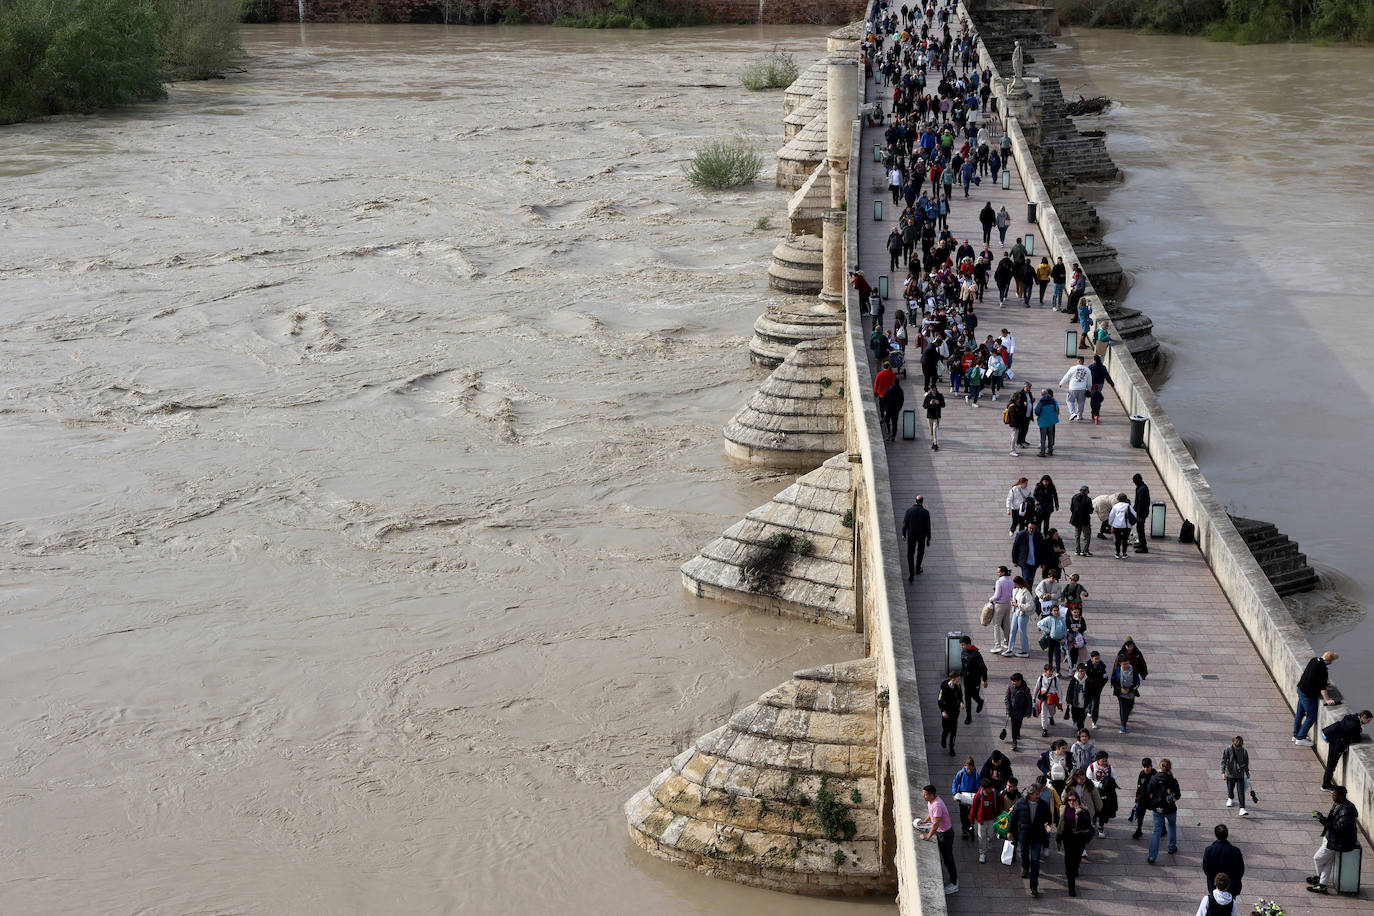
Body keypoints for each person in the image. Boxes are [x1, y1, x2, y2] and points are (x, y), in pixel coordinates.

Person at [1308, 785, 1359, 895]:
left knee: (1318, 858)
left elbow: (1338, 829)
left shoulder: (1346, 811)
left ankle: (1319, 877)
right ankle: (1322, 884)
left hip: (1339, 841)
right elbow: (1333, 822)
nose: (1332, 796)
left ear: (1341, 796)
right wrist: (1321, 817)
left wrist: (1321, 819)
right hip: (1331, 837)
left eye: (1335, 795)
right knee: (1328, 861)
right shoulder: (1339, 803)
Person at [1008, 784, 1051, 898]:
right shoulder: (1020, 803)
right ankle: (1025, 867)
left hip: (1037, 836)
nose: (1039, 796)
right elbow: (1013, 817)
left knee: (1035, 860)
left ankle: (1033, 886)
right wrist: (1010, 831)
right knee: (1024, 854)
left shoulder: (1043, 805)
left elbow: (1048, 817)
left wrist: (1047, 824)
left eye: (1039, 793)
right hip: (1024, 835)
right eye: (1036, 794)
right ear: (1031, 794)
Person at [917, 784, 959, 895]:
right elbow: (932, 815)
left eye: (925, 795)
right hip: (942, 833)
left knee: (948, 859)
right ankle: (950, 880)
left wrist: (927, 837)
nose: (924, 797)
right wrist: (925, 821)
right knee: (945, 858)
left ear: (931, 795)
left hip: (945, 834)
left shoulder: (937, 805)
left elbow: (935, 824)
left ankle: (954, 883)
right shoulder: (931, 802)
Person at [1320, 709, 1373, 791]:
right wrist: (1358, 732)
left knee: (1330, 764)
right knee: (1331, 765)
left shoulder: (1353, 717)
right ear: (1364, 717)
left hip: (1334, 739)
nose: (1368, 723)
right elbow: (1356, 739)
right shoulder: (1355, 725)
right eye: (1368, 720)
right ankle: (1325, 785)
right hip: (1337, 744)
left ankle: (1326, 784)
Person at [1293, 651, 1338, 746]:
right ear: (1330, 661)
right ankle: (1300, 738)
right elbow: (1323, 688)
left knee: (1300, 714)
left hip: (1301, 689)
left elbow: (1312, 675)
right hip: (1308, 695)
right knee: (1311, 716)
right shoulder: (1323, 669)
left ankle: (1296, 735)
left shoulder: (1314, 660)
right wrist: (1327, 700)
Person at [1059, 790, 1094, 897]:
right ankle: (1071, 887)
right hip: (1068, 838)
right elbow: (1060, 823)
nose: (1071, 802)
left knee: (1076, 860)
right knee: (1069, 863)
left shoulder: (1083, 810)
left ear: (1077, 800)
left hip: (1079, 839)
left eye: (1074, 800)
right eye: (1069, 800)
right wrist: (1058, 837)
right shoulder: (1063, 809)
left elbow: (1088, 822)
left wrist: (1078, 810)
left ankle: (1074, 869)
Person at [1145, 758, 1181, 864]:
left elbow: (1149, 792)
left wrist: (1153, 800)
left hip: (1157, 808)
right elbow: (1178, 795)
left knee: (1156, 832)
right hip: (1170, 809)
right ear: (1170, 768)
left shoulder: (1154, 778)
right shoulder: (1172, 780)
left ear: (1160, 767)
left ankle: (1152, 857)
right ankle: (1171, 847)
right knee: (1172, 826)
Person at [1203, 824, 1245, 900]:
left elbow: (1206, 869)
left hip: (1214, 887)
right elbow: (1240, 870)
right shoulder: (1235, 851)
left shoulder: (1209, 850)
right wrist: (1232, 883)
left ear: (1216, 835)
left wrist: (1214, 882)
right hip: (1231, 888)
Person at [970, 778, 1002, 864]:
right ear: (984, 788)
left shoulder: (994, 794)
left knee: (992, 835)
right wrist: (972, 818)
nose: (991, 789)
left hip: (992, 818)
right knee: (981, 837)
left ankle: (988, 841)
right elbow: (974, 808)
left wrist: (1000, 814)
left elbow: (998, 804)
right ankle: (982, 853)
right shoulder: (978, 796)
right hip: (982, 820)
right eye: (989, 788)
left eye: (991, 788)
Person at [959, 635, 988, 725]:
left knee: (974, 695)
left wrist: (984, 680)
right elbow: (963, 666)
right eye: (961, 645)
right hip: (966, 679)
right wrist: (960, 676)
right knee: (967, 697)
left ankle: (980, 701)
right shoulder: (963, 652)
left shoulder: (976, 654)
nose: (962, 646)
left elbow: (983, 667)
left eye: (963, 645)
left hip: (975, 679)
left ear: (968, 644)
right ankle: (969, 717)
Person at [1089, 751, 1119, 838]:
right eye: (1103, 761)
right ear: (1098, 760)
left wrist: (1108, 784)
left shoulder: (1109, 768)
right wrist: (1099, 784)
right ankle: (1093, 820)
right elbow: (1089, 779)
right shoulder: (1091, 767)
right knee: (1094, 807)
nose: (1105, 763)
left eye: (1106, 761)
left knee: (1104, 810)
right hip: (1094, 791)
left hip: (1106, 793)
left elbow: (1114, 778)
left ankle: (1101, 827)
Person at [901, 495, 931, 580]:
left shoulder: (909, 511)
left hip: (911, 535)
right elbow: (928, 527)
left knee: (910, 554)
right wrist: (928, 538)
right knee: (920, 552)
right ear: (922, 502)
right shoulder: (926, 512)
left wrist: (904, 534)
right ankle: (917, 569)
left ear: (915, 501)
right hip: (921, 536)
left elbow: (905, 523)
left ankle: (911, 573)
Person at [1110, 654, 1142, 734]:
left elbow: (1137, 683)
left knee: (1130, 706)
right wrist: (1120, 689)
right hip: (1121, 693)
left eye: (1127, 663)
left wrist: (1129, 689)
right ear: (1120, 663)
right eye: (1124, 664)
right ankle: (1123, 724)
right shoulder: (1117, 670)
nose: (1126, 665)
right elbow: (1113, 681)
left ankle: (1126, 715)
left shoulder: (1134, 670)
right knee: (1123, 708)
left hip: (1131, 692)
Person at [952, 756, 981, 840]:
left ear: (973, 767)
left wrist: (977, 797)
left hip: (972, 798)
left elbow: (978, 788)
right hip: (963, 797)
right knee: (963, 815)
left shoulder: (976, 775)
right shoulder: (960, 773)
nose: (969, 771)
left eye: (970, 769)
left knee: (971, 814)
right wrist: (955, 793)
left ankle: (970, 826)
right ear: (965, 766)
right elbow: (955, 783)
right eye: (967, 769)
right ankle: (964, 829)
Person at [1004, 672, 1034, 752]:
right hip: (1013, 712)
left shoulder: (1026, 689)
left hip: (1021, 712)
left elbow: (1029, 701)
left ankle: (1017, 733)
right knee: (1014, 726)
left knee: (1019, 725)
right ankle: (1014, 742)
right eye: (1012, 681)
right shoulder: (1010, 688)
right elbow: (1007, 699)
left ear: (1019, 681)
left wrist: (1028, 712)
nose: (1013, 683)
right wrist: (1008, 709)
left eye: (1014, 681)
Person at [1011, 520, 1047, 587]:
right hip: (1025, 561)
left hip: (1034, 562)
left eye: (1033, 528)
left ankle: (1028, 592)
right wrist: (1014, 561)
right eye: (1029, 528)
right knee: (1026, 578)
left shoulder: (1039, 535)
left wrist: (1043, 563)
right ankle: (1026, 592)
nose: (1031, 530)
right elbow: (1015, 548)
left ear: (1035, 528)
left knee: (1031, 579)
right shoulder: (1021, 535)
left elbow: (1042, 550)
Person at [1220, 736, 1250, 816]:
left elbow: (1246, 763)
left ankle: (1242, 808)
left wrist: (1247, 772)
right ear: (1233, 743)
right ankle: (1230, 797)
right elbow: (1223, 761)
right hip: (1230, 774)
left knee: (1241, 792)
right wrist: (1223, 773)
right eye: (1236, 746)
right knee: (1230, 788)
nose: (1238, 748)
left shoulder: (1244, 751)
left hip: (1240, 775)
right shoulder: (1228, 750)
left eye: (1239, 746)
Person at [1006, 575, 1034, 658]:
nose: (1014, 585)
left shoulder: (1026, 592)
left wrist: (1018, 605)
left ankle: (1025, 650)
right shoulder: (1016, 590)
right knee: (1013, 630)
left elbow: (1030, 605)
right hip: (1016, 612)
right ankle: (1010, 649)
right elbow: (1015, 599)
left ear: (1019, 583)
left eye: (1015, 584)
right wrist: (1013, 602)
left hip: (1023, 614)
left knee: (1022, 632)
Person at [988, 565, 1014, 653]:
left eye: (998, 572)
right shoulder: (1011, 581)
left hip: (999, 605)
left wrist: (990, 599)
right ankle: (1006, 641)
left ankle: (997, 645)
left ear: (1003, 572)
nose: (997, 573)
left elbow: (997, 595)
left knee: (996, 625)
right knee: (1007, 623)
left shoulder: (999, 581)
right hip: (1008, 604)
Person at [1130, 758, 1157, 840]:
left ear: (1151, 766)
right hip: (1143, 798)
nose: (1146, 769)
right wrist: (1137, 796)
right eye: (1144, 767)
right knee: (1140, 815)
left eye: (1148, 767)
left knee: (1158, 814)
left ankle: (1163, 829)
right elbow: (1139, 786)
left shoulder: (1155, 774)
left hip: (1152, 798)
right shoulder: (1142, 774)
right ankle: (1139, 830)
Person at [937, 671, 963, 755]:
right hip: (946, 713)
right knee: (946, 730)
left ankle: (951, 747)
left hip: (955, 713)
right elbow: (940, 700)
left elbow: (960, 695)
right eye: (958, 679)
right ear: (953, 679)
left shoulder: (958, 686)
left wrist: (961, 702)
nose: (959, 680)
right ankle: (943, 738)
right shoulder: (944, 687)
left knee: (953, 731)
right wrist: (943, 711)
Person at [1033, 664, 1062, 736]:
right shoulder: (1041, 678)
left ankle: (1051, 716)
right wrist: (1034, 696)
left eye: (1052, 671)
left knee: (1052, 711)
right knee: (1043, 713)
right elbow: (1037, 687)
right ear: (1045, 671)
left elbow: (1059, 689)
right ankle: (1044, 729)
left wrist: (1060, 700)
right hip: (1044, 697)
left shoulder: (1056, 679)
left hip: (1052, 698)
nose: (1051, 672)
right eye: (1050, 671)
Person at [1038, 608, 1067, 679]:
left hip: (1058, 640)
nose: (1056, 612)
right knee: (1050, 653)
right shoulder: (1049, 618)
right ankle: (1049, 669)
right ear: (1051, 611)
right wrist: (1048, 630)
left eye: (1057, 610)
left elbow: (1065, 629)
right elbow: (1039, 624)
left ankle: (1058, 671)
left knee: (1057, 654)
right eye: (1054, 611)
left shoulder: (1062, 619)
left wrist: (1064, 639)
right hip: (1050, 639)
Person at [1059, 357, 1091, 421]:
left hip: (1073, 388)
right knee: (1081, 402)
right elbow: (1089, 381)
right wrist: (1089, 389)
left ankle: (1072, 413)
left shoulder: (1073, 368)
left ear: (1078, 361)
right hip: (1082, 388)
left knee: (1069, 400)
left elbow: (1067, 376)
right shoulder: (1087, 370)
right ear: (1083, 361)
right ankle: (1079, 416)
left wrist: (1061, 383)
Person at [1107, 494, 1136, 560]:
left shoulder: (1115, 506)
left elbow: (1111, 516)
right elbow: (1134, 514)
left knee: (1117, 540)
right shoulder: (1128, 506)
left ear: (1118, 499)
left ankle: (1117, 553)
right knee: (1125, 540)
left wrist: (1110, 524)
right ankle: (1124, 553)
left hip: (1117, 526)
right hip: (1126, 526)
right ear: (1125, 499)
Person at [1085, 650, 1108, 728]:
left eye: (1098, 658)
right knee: (1089, 702)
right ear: (1091, 659)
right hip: (1089, 688)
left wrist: (1100, 685)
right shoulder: (1087, 666)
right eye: (1096, 659)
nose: (1097, 660)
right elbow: (1085, 677)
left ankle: (1094, 721)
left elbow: (1105, 677)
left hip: (1097, 689)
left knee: (1096, 705)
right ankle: (1089, 708)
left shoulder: (1102, 666)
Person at [1034, 388, 1060, 457]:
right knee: (1050, 436)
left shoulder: (1041, 402)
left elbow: (1036, 412)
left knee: (1043, 438)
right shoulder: (1053, 401)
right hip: (1050, 421)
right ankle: (1050, 451)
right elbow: (1055, 409)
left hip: (1043, 422)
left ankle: (1042, 452)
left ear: (1041, 394)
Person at [1068, 486, 1093, 557]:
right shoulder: (1088, 499)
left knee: (1077, 536)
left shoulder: (1074, 497)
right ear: (1086, 491)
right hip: (1085, 521)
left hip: (1076, 520)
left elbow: (1071, 508)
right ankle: (1084, 551)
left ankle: (1077, 550)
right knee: (1087, 536)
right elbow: (1090, 511)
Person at [879, 378, 905, 443]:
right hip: (896, 410)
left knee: (887, 421)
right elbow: (902, 400)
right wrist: (899, 408)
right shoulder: (900, 390)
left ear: (893, 382)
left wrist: (883, 407)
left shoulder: (889, 389)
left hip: (888, 409)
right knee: (894, 423)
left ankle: (888, 433)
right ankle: (893, 436)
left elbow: (883, 399)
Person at [1131, 473, 1151, 553]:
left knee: (1140, 529)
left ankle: (1144, 548)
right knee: (1139, 529)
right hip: (1140, 512)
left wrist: (1138, 515)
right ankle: (1142, 543)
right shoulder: (1140, 487)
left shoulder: (1142, 489)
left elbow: (1141, 504)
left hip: (1141, 514)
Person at [1066, 668, 1091, 733]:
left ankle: (1080, 731)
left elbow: (1091, 691)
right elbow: (1069, 690)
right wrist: (1068, 700)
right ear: (1077, 671)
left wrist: (1090, 700)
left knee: (1082, 719)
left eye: (1084, 671)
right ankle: (1075, 722)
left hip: (1084, 703)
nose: (1082, 673)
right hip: (1075, 703)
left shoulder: (1087, 680)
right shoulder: (1074, 680)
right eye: (1081, 671)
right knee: (1074, 716)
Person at [923, 383, 945, 450]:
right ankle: (933, 442)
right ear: (930, 390)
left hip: (937, 416)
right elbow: (924, 406)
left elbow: (943, 405)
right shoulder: (928, 397)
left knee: (935, 430)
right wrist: (930, 403)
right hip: (929, 416)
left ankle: (935, 444)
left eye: (934, 390)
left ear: (936, 390)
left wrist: (939, 403)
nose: (933, 391)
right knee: (931, 432)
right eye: (932, 390)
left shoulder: (940, 396)